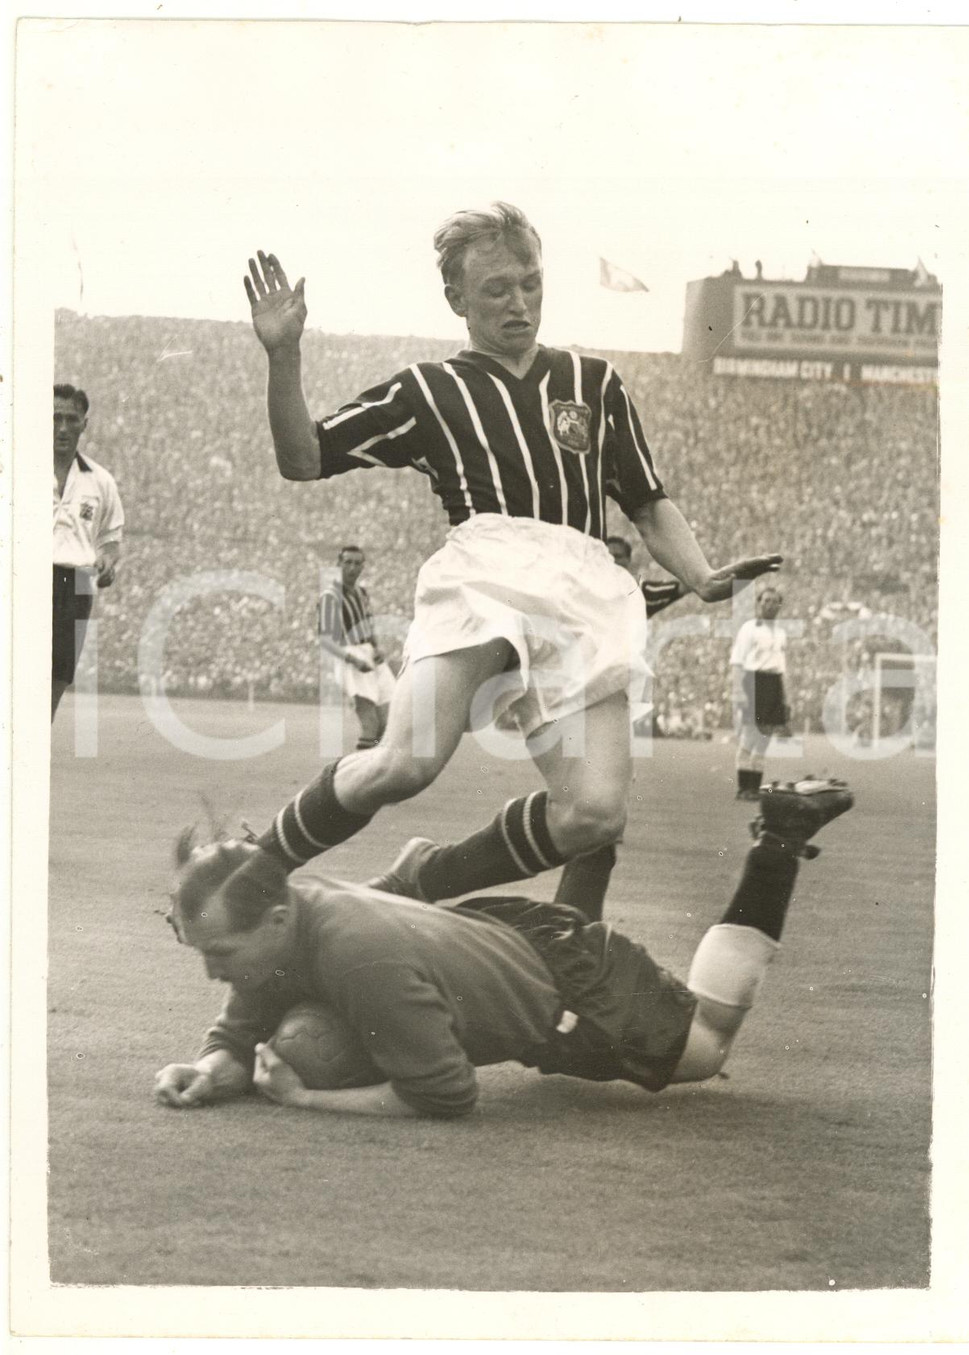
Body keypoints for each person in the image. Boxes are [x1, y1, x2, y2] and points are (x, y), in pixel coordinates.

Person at [241, 202, 780, 902]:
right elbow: (303, 457)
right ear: (457, 298)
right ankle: (257, 865)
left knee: (594, 813)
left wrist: (702, 575)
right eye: (497, 288)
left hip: (583, 584)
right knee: (406, 762)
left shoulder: (595, 384)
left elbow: (646, 499)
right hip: (485, 572)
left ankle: (427, 876)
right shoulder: (427, 390)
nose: (519, 303)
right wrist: (285, 356)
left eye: (530, 283)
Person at [153, 777, 853, 1119]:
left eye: (221, 951)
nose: (216, 971)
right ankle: (590, 846)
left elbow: (446, 1093)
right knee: (547, 962)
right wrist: (214, 1065)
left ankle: (779, 842)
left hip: (572, 983)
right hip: (506, 935)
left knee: (707, 1045)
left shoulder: (357, 958)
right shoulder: (285, 918)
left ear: (274, 919)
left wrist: (308, 1097)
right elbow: (241, 1020)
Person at [552, 534, 687, 919]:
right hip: (579, 699)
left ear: (630, 562)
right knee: (591, 806)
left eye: (621, 557)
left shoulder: (633, 596)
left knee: (603, 804)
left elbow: (679, 587)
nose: (615, 562)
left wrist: (703, 576)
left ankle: (574, 911)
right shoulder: (574, 591)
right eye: (609, 555)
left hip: (615, 699)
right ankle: (572, 916)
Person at [51, 384, 124, 719]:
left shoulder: (100, 480)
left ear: (84, 424)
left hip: (77, 583)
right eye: (54, 418)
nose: (62, 428)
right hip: (24, 576)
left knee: (56, 678)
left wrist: (107, 561)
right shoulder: (15, 469)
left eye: (71, 419)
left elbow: (110, 538)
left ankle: (32, 758)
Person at [318, 545, 396, 750]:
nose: (352, 567)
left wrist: (377, 648)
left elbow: (367, 627)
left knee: (388, 723)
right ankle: (360, 779)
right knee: (370, 723)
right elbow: (325, 639)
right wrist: (352, 660)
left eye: (357, 563)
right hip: (350, 655)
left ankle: (373, 773)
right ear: (338, 564)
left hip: (369, 653)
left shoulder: (362, 593)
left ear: (363, 566)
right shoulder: (330, 596)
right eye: (348, 562)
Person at [730, 585, 790, 800]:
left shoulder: (781, 633)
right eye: (765, 601)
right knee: (748, 738)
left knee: (764, 741)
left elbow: (781, 667)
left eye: (774, 601)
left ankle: (754, 789)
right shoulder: (749, 628)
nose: (769, 605)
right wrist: (738, 690)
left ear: (779, 606)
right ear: (758, 603)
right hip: (754, 682)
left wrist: (785, 696)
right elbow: (737, 661)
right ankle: (743, 788)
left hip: (774, 685)